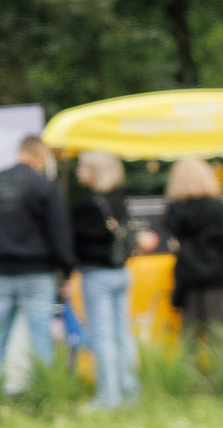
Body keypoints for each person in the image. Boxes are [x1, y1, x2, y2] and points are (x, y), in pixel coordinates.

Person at [0, 135, 74, 390]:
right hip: (37, 272)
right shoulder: (44, 186)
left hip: (2, 273)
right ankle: (44, 392)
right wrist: (65, 269)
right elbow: (59, 232)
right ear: (39, 155)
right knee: (40, 336)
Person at [69, 151, 136, 408]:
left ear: (94, 170)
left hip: (96, 273)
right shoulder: (118, 199)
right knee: (122, 333)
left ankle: (109, 394)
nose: (78, 172)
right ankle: (129, 389)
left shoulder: (87, 205)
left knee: (102, 334)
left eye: (83, 167)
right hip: (121, 272)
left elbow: (75, 240)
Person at [157, 157, 223, 351]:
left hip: (188, 277)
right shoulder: (218, 208)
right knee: (219, 337)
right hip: (215, 276)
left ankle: (191, 381)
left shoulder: (174, 211)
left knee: (189, 337)